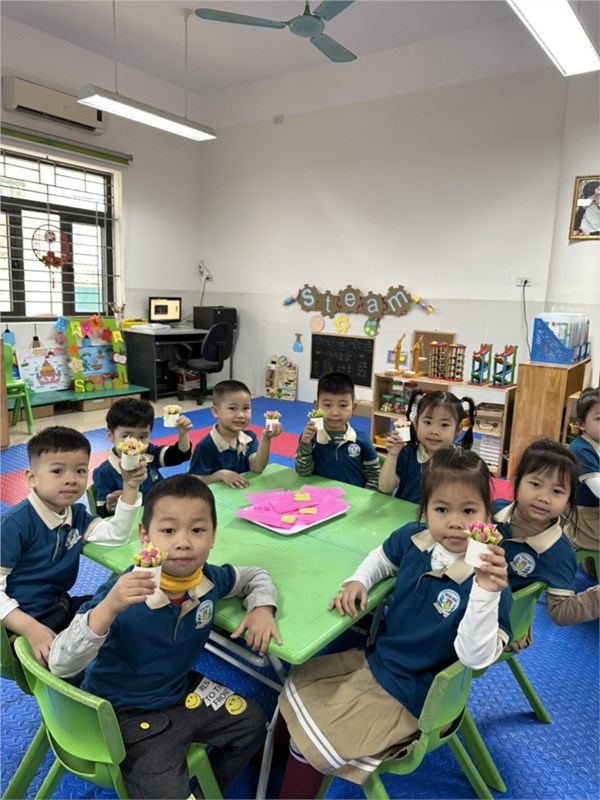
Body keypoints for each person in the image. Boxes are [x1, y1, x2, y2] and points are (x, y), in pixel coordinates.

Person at [278, 448, 511, 796]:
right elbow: (382, 557)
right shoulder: (416, 537)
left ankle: (292, 773)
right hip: (379, 660)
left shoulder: (491, 582)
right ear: (425, 509)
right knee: (294, 683)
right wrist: (359, 580)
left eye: (469, 511)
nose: (455, 522)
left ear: (488, 517)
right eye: (441, 509)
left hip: (414, 694)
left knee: (307, 741)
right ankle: (275, 763)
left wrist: (486, 593)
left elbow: (474, 659)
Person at [49, 474, 282, 799]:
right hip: (123, 714)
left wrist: (262, 609)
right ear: (145, 536)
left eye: (197, 530)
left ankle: (207, 791)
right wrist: (108, 608)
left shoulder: (209, 580)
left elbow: (255, 575)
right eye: (169, 531)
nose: (183, 542)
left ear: (213, 535)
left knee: (253, 722)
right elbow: (60, 664)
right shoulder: (120, 594)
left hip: (178, 691)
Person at [1, 426, 147, 666]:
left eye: (80, 470)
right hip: (25, 618)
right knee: (84, 661)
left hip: (60, 605)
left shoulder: (76, 514)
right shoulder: (15, 524)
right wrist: (30, 629)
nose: (71, 479)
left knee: (123, 610)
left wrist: (130, 487)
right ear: (31, 477)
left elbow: (116, 534)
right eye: (57, 471)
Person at [494, 438, 599, 627]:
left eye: (557, 491)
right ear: (517, 483)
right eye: (536, 484)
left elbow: (560, 612)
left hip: (499, 626)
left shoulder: (560, 553)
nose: (544, 498)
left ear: (568, 500)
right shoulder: (492, 512)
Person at [93, 397, 193, 516]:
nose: (135, 444)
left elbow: (179, 455)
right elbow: (101, 514)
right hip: (132, 520)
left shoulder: (149, 453)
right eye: (127, 437)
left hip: (162, 510)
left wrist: (183, 434)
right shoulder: (104, 472)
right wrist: (109, 507)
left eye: (142, 437)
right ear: (111, 436)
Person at [379, 389, 475, 503]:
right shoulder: (407, 454)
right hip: (404, 512)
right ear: (416, 424)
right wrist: (392, 455)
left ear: (457, 430)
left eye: (444, 425)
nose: (434, 431)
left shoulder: (461, 462)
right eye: (428, 422)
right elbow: (385, 488)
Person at [188, 380, 282, 487]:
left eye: (246, 408)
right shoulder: (205, 446)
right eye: (232, 408)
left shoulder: (249, 437)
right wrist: (220, 475)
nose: (241, 415)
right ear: (216, 412)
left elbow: (258, 468)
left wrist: (266, 438)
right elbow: (195, 482)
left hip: (242, 492)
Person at [295, 372, 380, 490]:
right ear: (317, 406)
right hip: (319, 496)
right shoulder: (310, 437)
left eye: (343, 405)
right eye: (327, 405)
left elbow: (375, 478)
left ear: (353, 407)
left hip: (354, 498)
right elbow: (303, 472)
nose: (335, 413)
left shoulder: (361, 439)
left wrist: (364, 498)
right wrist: (305, 443)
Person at [566, 388, 599, 575]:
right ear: (581, 424)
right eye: (599, 419)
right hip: (583, 519)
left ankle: (591, 565)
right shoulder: (582, 450)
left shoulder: (596, 443)